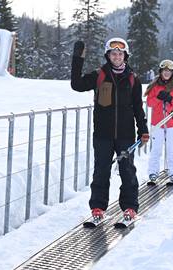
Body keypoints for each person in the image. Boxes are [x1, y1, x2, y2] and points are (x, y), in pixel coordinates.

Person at [70, 37, 149, 221]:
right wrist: (77, 58)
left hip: (125, 134)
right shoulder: (99, 75)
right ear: (108, 55)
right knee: (101, 171)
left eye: (120, 53)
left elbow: (138, 107)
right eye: (113, 53)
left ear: (125, 56)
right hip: (102, 135)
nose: (117, 56)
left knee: (127, 171)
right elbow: (76, 85)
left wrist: (143, 129)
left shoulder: (133, 79)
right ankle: (98, 207)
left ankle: (129, 207)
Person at [145, 59, 173, 184]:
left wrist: (170, 99)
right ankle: (153, 172)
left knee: (171, 149)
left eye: (169, 71)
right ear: (161, 72)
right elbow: (150, 103)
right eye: (164, 71)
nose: (166, 73)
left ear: (172, 73)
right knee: (156, 149)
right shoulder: (155, 85)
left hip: (172, 122)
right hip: (158, 123)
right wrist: (158, 97)